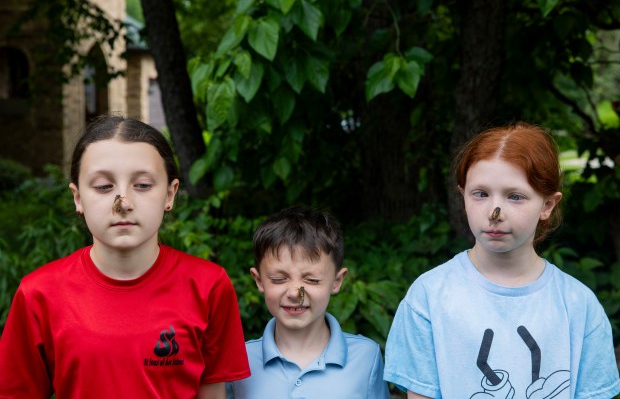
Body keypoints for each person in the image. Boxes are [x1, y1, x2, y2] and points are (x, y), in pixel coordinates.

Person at [0, 116, 250, 398]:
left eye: (142, 185)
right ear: (78, 197)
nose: (124, 203)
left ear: (170, 194)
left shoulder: (209, 286)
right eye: (104, 187)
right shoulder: (38, 295)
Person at [384, 122, 620, 399]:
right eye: (481, 194)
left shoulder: (579, 306)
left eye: (515, 196)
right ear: (463, 196)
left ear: (547, 205)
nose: (495, 213)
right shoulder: (429, 296)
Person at [229, 206, 391, 399]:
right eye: (279, 279)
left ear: (337, 281)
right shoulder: (239, 359)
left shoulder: (366, 357)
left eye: (312, 280)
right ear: (259, 281)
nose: (295, 293)